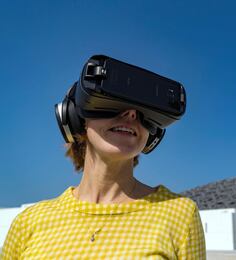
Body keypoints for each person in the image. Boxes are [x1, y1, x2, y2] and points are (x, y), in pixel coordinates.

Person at [1, 58, 206, 259]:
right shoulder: (28, 222)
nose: (131, 114)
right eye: (113, 103)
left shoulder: (180, 214)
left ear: (152, 135)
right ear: (75, 119)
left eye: (143, 111)